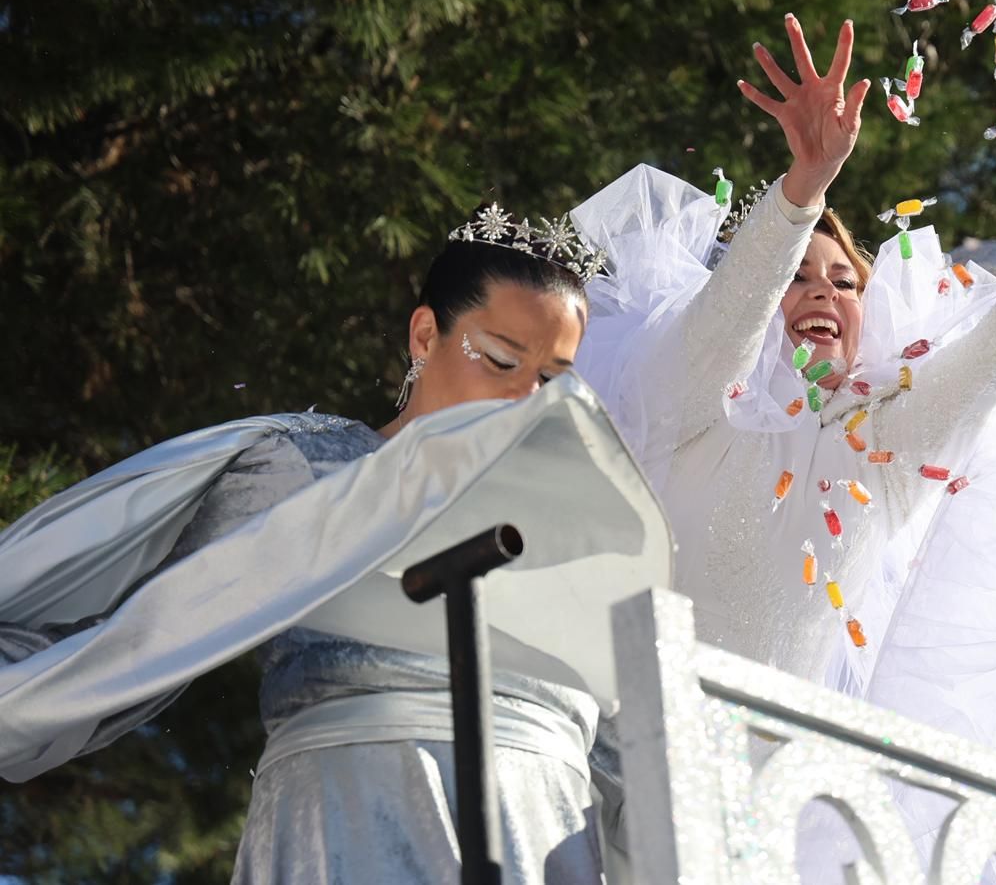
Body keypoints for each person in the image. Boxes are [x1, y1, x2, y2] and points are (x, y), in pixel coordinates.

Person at [573, 14, 996, 807]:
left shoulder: (881, 457)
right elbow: (728, 317)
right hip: (618, 778)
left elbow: (982, 368)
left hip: (771, 813)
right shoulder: (686, 405)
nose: (823, 292)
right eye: (798, 276)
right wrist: (804, 188)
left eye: (845, 281)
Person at [0, 208, 611, 883]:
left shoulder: (575, 531)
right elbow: (140, 636)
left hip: (544, 833)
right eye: (500, 359)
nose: (526, 396)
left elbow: (622, 740)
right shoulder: (313, 470)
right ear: (424, 334)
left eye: (551, 380)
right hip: (356, 819)